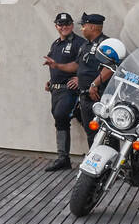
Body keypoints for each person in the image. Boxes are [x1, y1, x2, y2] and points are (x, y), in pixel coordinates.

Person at [42, 12, 87, 171]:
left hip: (71, 91)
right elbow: (54, 66)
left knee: (67, 116)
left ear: (72, 25)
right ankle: (63, 159)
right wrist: (50, 82)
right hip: (56, 91)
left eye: (67, 23)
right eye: (60, 24)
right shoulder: (55, 44)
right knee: (60, 120)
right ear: (56, 26)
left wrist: (79, 79)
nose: (64, 27)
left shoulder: (79, 43)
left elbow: (86, 65)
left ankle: (96, 156)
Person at [72, 12, 112, 144]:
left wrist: (94, 84)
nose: (82, 29)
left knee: (106, 134)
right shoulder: (85, 45)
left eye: (84, 26)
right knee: (91, 134)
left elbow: (110, 68)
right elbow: (78, 66)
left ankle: (111, 163)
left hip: (100, 96)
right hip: (85, 97)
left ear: (93, 27)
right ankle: (94, 163)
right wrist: (56, 66)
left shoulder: (106, 44)